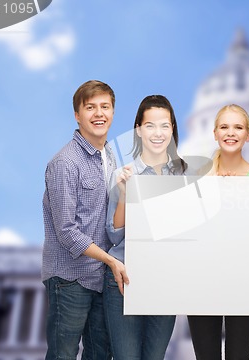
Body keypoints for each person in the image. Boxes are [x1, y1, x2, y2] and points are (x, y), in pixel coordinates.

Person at [42, 80, 128, 360]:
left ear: (113, 112)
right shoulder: (65, 163)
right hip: (69, 279)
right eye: (90, 107)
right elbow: (66, 230)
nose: (99, 113)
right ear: (77, 115)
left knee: (100, 355)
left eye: (105, 107)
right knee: (62, 355)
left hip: (100, 278)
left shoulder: (110, 156)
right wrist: (112, 260)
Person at [104, 95, 186, 360]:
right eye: (150, 125)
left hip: (165, 280)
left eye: (165, 125)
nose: (158, 133)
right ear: (138, 130)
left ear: (172, 129)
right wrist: (125, 193)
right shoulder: (125, 174)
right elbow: (114, 234)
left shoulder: (185, 177)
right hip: (125, 279)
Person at [188, 104, 249, 360]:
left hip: (245, 283)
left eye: (238, 127)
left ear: (248, 134)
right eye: (224, 127)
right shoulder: (196, 178)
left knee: (239, 356)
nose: (230, 133)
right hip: (201, 281)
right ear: (214, 133)